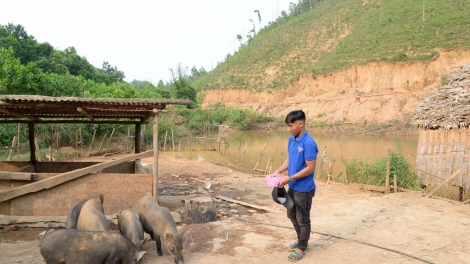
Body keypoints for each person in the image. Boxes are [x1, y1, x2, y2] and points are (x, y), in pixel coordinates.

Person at [274, 110, 318, 262]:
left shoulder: (309, 143)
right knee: (291, 214)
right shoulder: (292, 139)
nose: (289, 129)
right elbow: (290, 158)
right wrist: (279, 170)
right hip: (292, 185)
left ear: (300, 124)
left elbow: (310, 168)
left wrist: (289, 178)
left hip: (304, 189)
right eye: (287, 126)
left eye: (291, 125)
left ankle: (302, 247)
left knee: (303, 219)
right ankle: (301, 240)